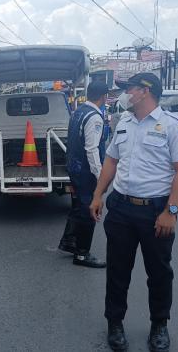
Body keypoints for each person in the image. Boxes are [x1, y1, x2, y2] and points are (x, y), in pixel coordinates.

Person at [89, 73, 178, 352]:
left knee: (159, 273)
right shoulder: (123, 123)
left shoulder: (174, 125)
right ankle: (115, 323)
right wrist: (98, 195)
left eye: (129, 89)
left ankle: (159, 325)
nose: (125, 94)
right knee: (117, 270)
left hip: (156, 212)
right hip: (121, 208)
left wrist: (171, 211)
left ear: (145, 91)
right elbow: (111, 160)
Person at [58, 81, 109, 268]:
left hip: (74, 167)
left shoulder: (78, 112)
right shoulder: (95, 117)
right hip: (86, 172)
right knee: (89, 210)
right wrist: (100, 176)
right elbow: (92, 149)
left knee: (79, 205)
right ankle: (81, 254)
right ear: (104, 96)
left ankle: (69, 241)